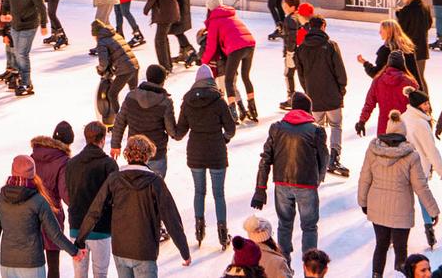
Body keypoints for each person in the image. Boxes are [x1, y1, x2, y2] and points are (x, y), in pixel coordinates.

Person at [75, 134, 191, 276]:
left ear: (127, 155)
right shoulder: (155, 182)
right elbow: (171, 218)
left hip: (121, 250)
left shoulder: (114, 179)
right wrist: (184, 251)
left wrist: (80, 240)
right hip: (145, 251)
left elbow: (95, 211)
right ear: (147, 156)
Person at [359, 111, 441, 277]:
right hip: (401, 210)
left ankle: (376, 275)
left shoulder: (373, 150)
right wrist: (433, 210)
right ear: (404, 133)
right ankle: (402, 274)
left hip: (377, 207)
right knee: (400, 248)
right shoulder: (411, 155)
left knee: (381, 245)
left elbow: (364, 178)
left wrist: (363, 202)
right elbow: (421, 187)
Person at [252, 90, 327, 260]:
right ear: (308, 110)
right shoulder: (316, 130)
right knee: (309, 227)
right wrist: (317, 179)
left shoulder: (276, 128)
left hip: (282, 184)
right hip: (306, 185)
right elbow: (325, 158)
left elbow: (265, 159)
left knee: (284, 225)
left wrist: (260, 189)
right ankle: (310, 268)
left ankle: (284, 264)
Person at [0, 152, 78, 277]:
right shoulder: (39, 201)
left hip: (7, 265)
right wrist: (75, 252)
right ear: (33, 173)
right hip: (32, 264)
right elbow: (55, 234)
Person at [175, 64, 238, 247]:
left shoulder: (187, 102)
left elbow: (180, 130)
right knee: (219, 194)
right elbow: (231, 129)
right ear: (211, 80)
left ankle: (199, 230)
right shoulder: (219, 101)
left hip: (195, 152)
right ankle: (222, 233)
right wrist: (224, 139)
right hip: (216, 151)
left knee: (199, 192)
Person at [293, 13, 350, 176]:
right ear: (323, 27)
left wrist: (308, 91)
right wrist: (341, 90)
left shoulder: (302, 48)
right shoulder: (331, 45)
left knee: (316, 128)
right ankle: (334, 158)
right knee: (336, 125)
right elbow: (340, 70)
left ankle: (316, 158)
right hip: (332, 95)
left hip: (313, 97)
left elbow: (301, 75)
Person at [63, 122, 118, 278]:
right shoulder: (109, 164)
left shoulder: (71, 163)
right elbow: (114, 196)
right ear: (102, 139)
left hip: (77, 227)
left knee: (79, 274)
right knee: (100, 273)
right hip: (101, 227)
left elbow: (69, 191)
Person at [201, 0, 259, 125]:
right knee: (246, 76)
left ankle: (232, 111)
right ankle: (252, 108)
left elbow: (211, 47)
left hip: (236, 48)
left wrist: (203, 63)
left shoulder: (215, 20)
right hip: (250, 44)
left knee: (228, 80)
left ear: (210, 8)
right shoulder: (231, 14)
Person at [112, 65, 178, 180]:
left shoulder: (131, 96)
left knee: (136, 189)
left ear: (148, 77)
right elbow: (172, 131)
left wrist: (115, 145)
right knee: (156, 190)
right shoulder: (165, 102)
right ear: (162, 80)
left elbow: (119, 122)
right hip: (157, 154)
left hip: (135, 153)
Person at [0, 0, 51, 96]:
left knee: (22, 54)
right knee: (16, 52)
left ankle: (26, 83)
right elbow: (7, 0)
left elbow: (41, 6)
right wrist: (3, 14)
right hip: (15, 23)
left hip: (29, 24)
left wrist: (43, 24)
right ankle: (19, 77)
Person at [31, 122, 74, 278]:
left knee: (32, 264)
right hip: (52, 215)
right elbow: (65, 193)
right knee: (53, 267)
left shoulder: (33, 155)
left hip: (30, 212)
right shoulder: (63, 161)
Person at [92, 20, 140, 126]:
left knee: (112, 94)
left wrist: (100, 70)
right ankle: (137, 119)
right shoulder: (116, 35)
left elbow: (103, 62)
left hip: (125, 70)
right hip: (134, 65)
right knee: (134, 94)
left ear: (96, 33)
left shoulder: (102, 41)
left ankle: (119, 121)